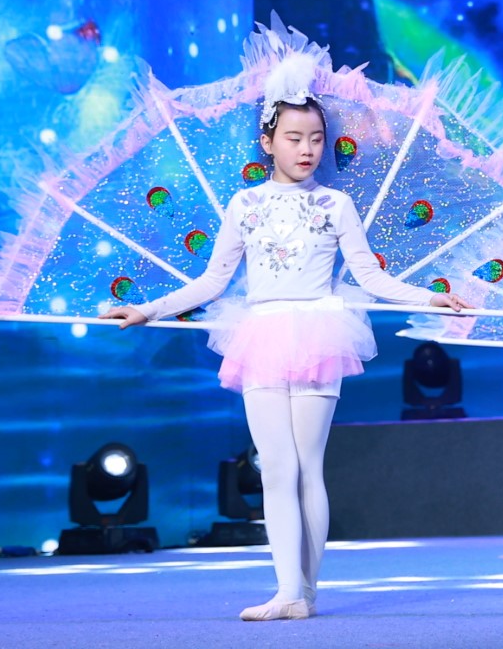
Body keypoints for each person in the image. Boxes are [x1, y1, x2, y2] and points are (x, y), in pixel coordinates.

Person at [102, 51, 467, 620]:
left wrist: (429, 297)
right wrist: (147, 310)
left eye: (316, 139)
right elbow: (212, 281)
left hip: (319, 332)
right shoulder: (245, 204)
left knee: (307, 469)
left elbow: (370, 277)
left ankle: (305, 592)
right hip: (262, 336)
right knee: (275, 468)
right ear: (267, 141)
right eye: (294, 138)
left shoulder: (336, 203)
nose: (307, 149)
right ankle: (287, 590)